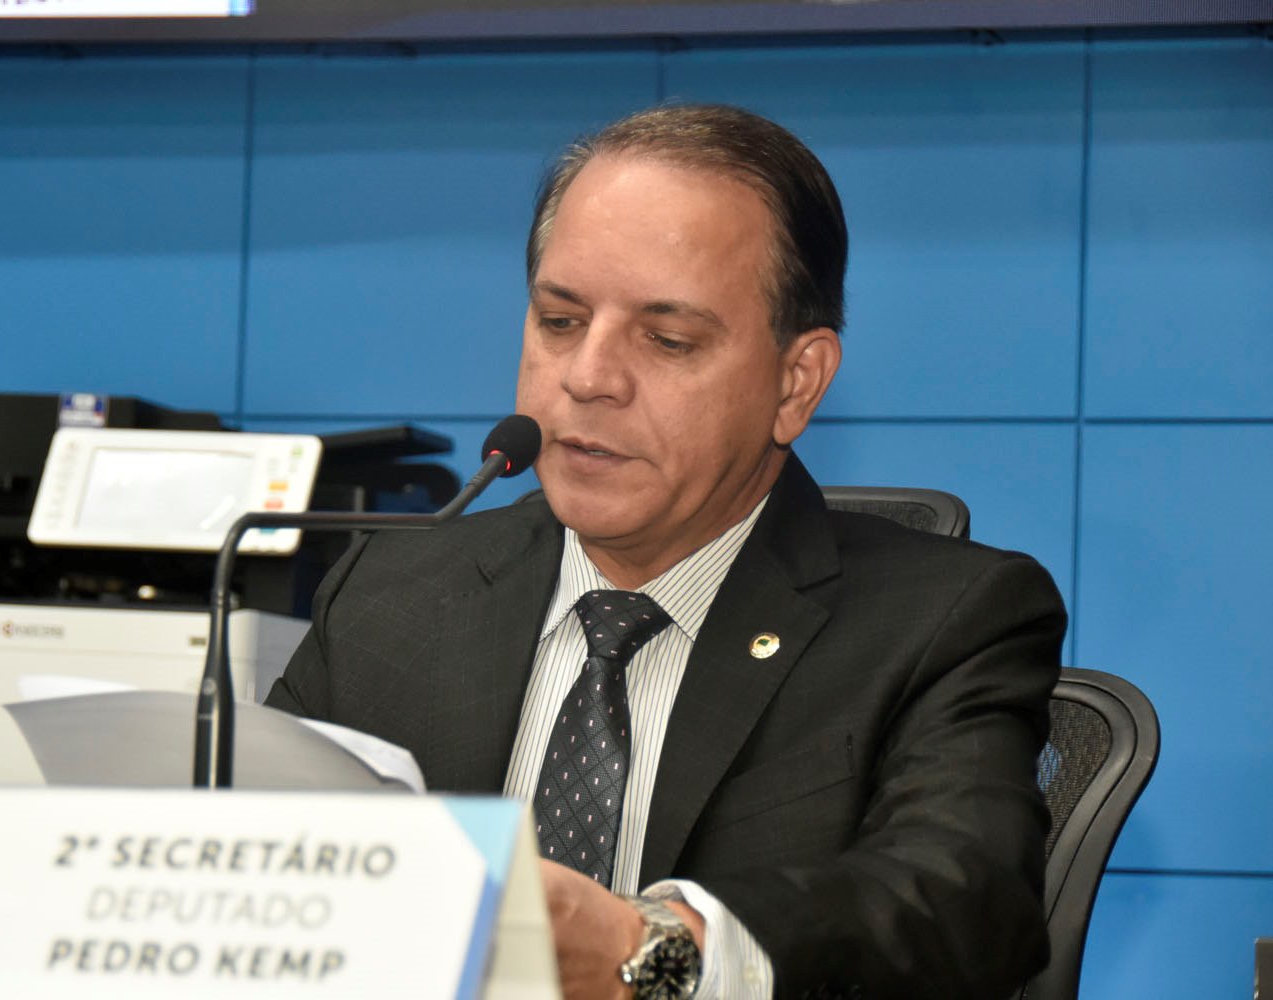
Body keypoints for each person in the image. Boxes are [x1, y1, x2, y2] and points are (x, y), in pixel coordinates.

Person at [267, 104, 1065, 999]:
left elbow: (963, 901)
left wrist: (651, 950)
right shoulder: (391, 592)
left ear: (795, 383)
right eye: (559, 321)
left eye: (668, 339)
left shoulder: (943, 623)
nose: (588, 377)